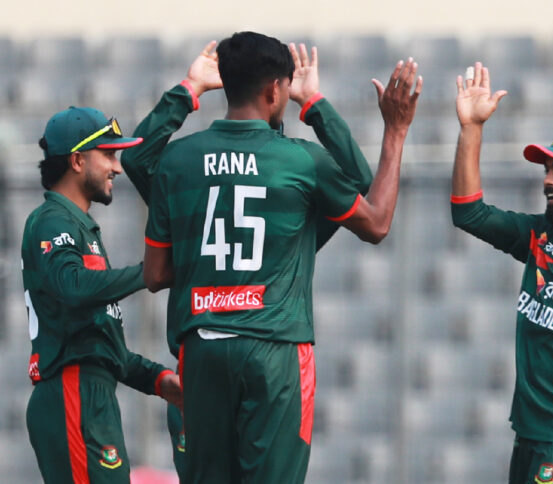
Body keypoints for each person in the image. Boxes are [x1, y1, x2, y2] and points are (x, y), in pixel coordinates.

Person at [142, 31, 421, 483]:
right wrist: (389, 127)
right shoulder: (299, 161)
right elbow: (376, 221)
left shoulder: (179, 160)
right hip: (274, 351)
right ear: (276, 90)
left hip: (201, 348)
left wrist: (188, 89)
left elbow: (155, 273)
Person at [450, 62, 553, 484]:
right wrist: (471, 128)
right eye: (547, 169)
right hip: (530, 428)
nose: (548, 180)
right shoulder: (541, 234)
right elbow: (469, 213)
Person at [22, 108, 183, 482]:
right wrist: (149, 272)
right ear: (77, 160)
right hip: (72, 390)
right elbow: (74, 287)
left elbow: (99, 344)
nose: (117, 167)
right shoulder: (53, 221)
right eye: (109, 155)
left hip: (90, 393)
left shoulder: (79, 227)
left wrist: (159, 380)